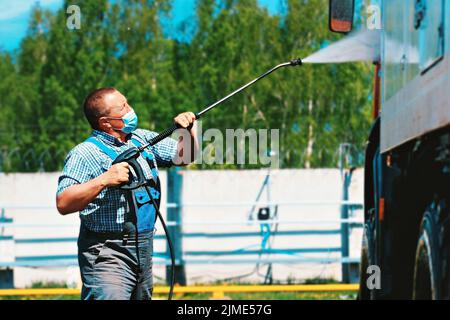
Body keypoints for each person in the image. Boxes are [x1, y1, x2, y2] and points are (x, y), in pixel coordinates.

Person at [56, 87, 198, 300]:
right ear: (105, 122)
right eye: (123, 107)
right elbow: (63, 202)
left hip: (143, 247)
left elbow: (184, 157)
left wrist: (187, 131)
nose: (131, 109)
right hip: (107, 252)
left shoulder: (140, 139)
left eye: (127, 103)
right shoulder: (84, 154)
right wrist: (105, 179)